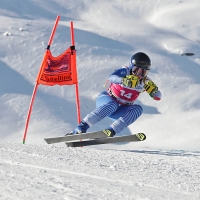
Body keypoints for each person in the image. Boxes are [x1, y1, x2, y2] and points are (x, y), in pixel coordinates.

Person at [68, 52, 162, 137]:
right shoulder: (125, 71)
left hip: (121, 109)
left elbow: (158, 95)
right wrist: (123, 80)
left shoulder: (145, 81)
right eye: (136, 69)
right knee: (113, 104)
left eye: (143, 72)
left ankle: (111, 130)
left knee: (138, 109)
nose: (139, 74)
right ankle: (82, 126)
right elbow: (112, 77)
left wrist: (154, 93)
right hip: (107, 99)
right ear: (131, 66)